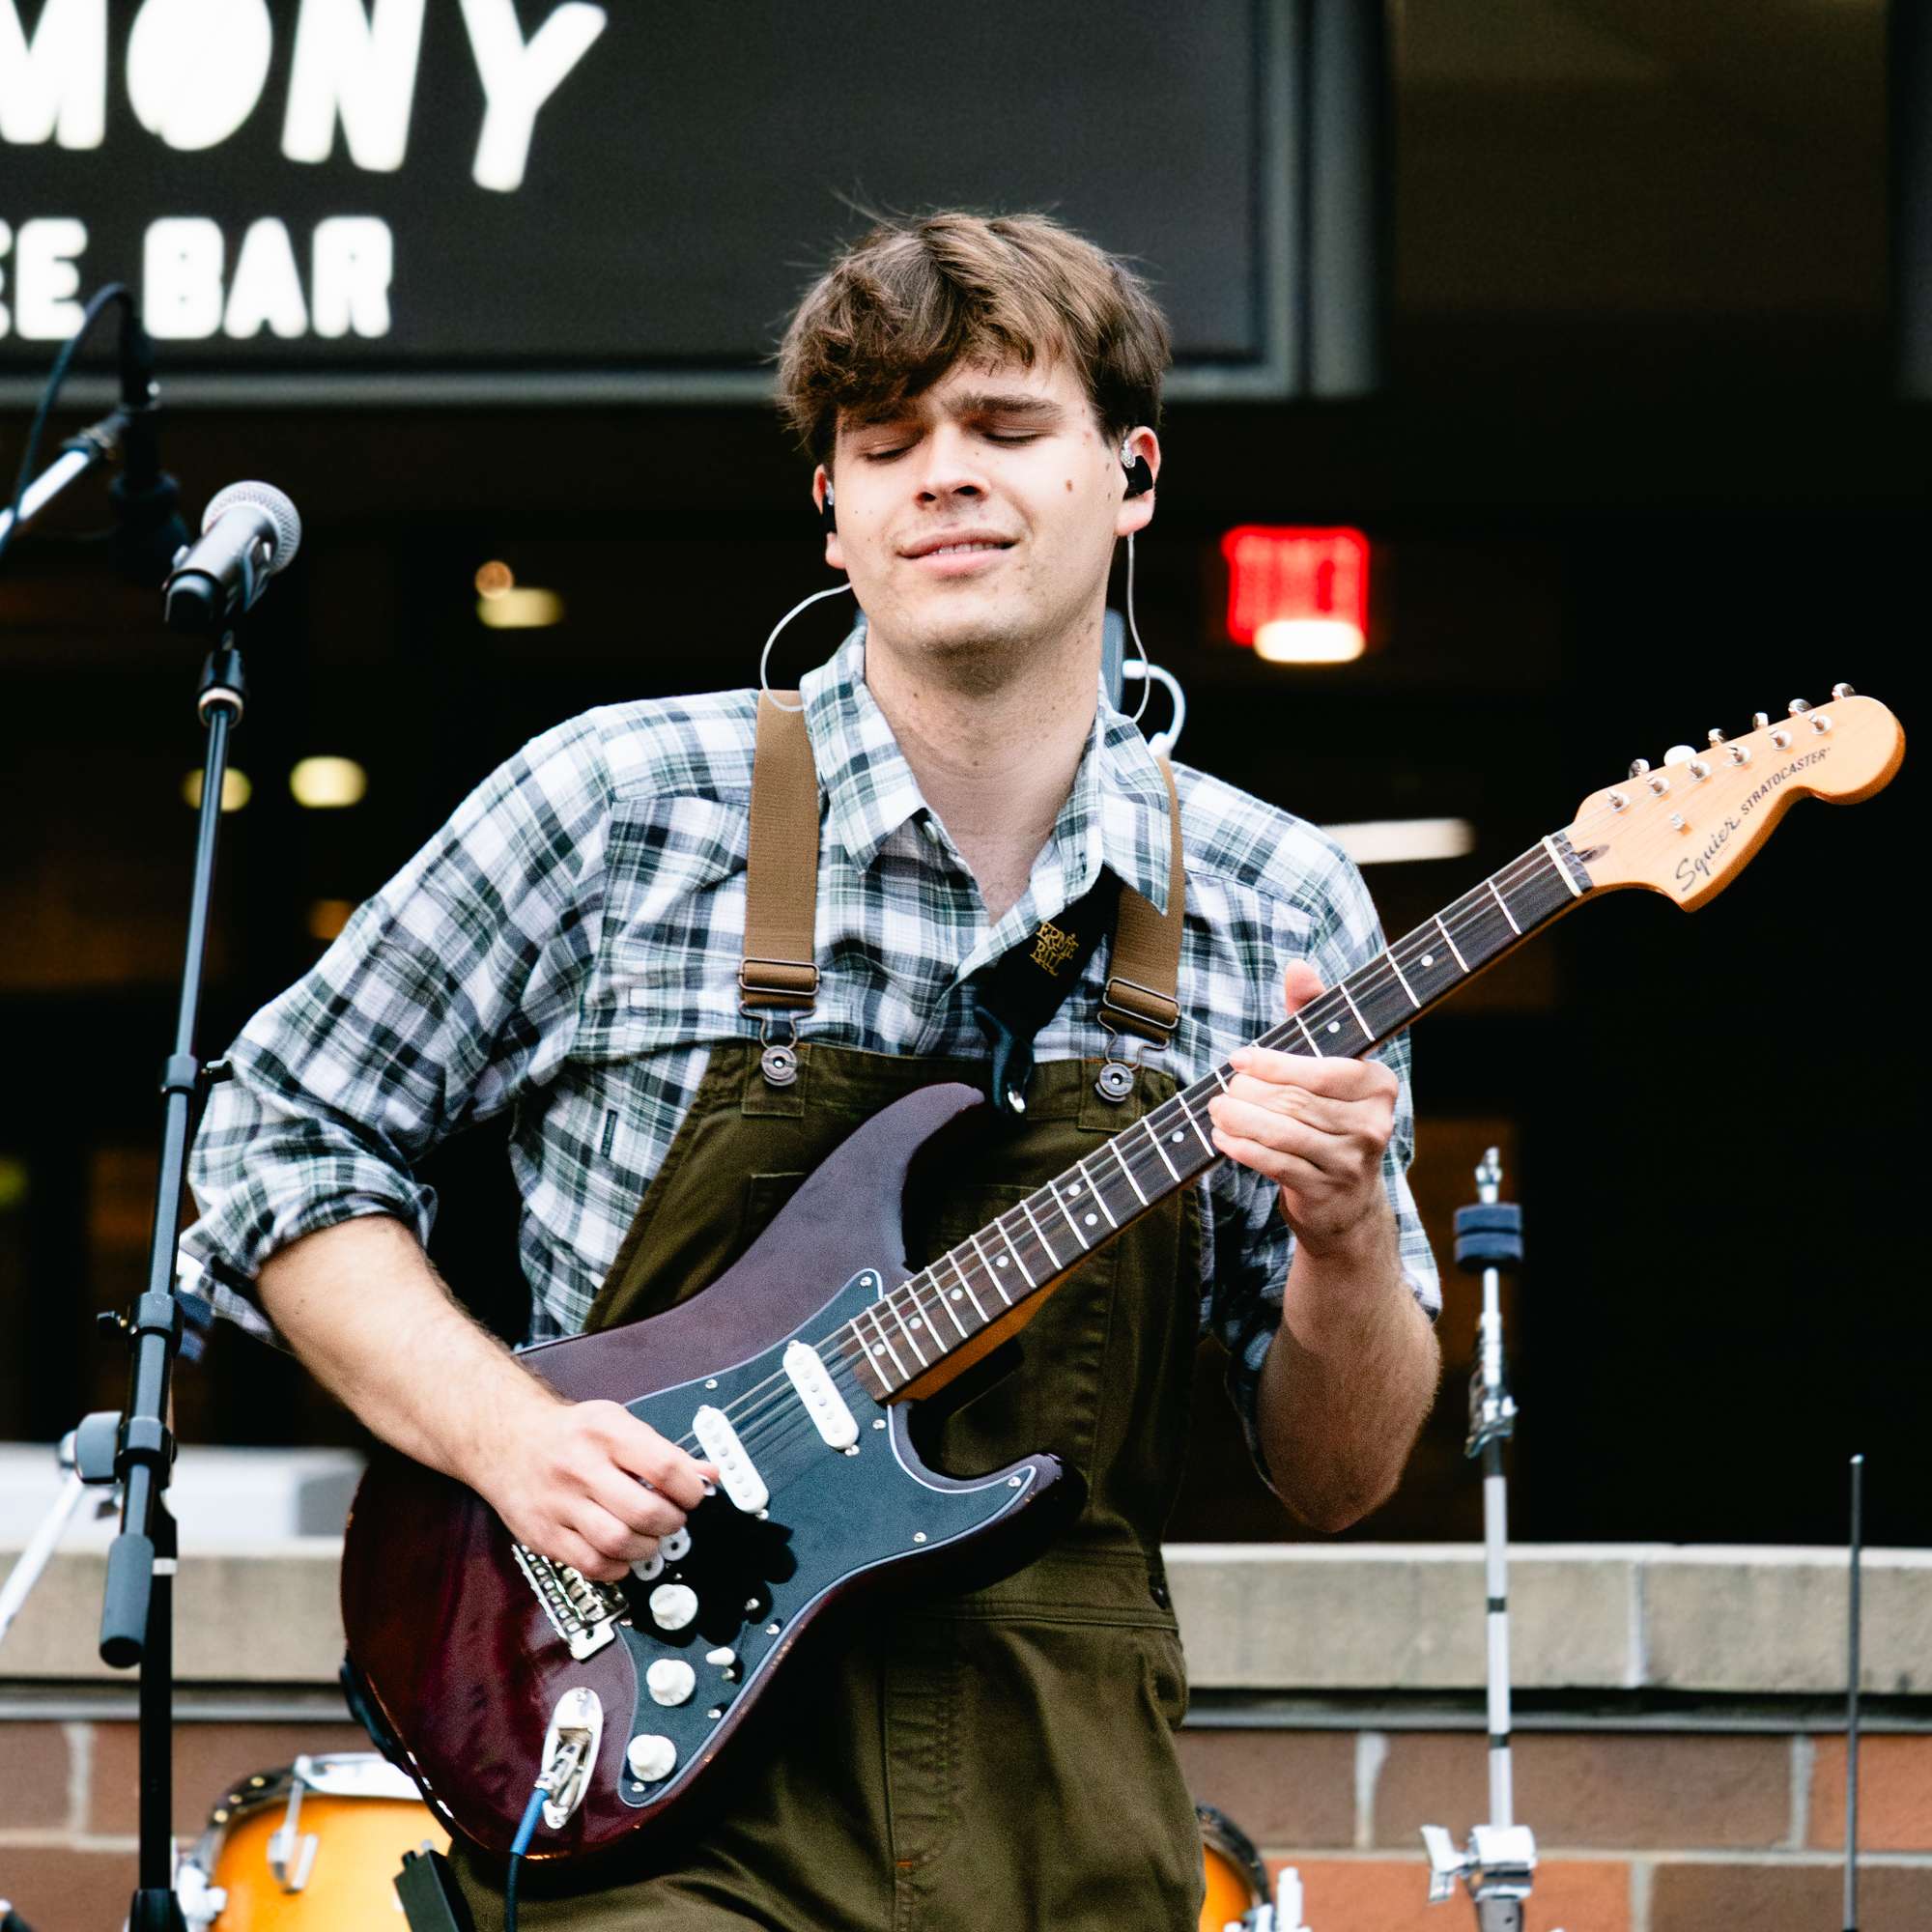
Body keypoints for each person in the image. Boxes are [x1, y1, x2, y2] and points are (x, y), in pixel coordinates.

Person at [186, 211, 1441, 1930]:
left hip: (1068, 1807)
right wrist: (507, 1435)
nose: (946, 478)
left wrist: (1349, 1235)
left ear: (1132, 477)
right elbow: (272, 1137)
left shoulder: (1278, 900)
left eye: (1007, 431)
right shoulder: (619, 805)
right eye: (887, 444)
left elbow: (1341, 1468)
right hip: (652, 1789)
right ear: (833, 509)